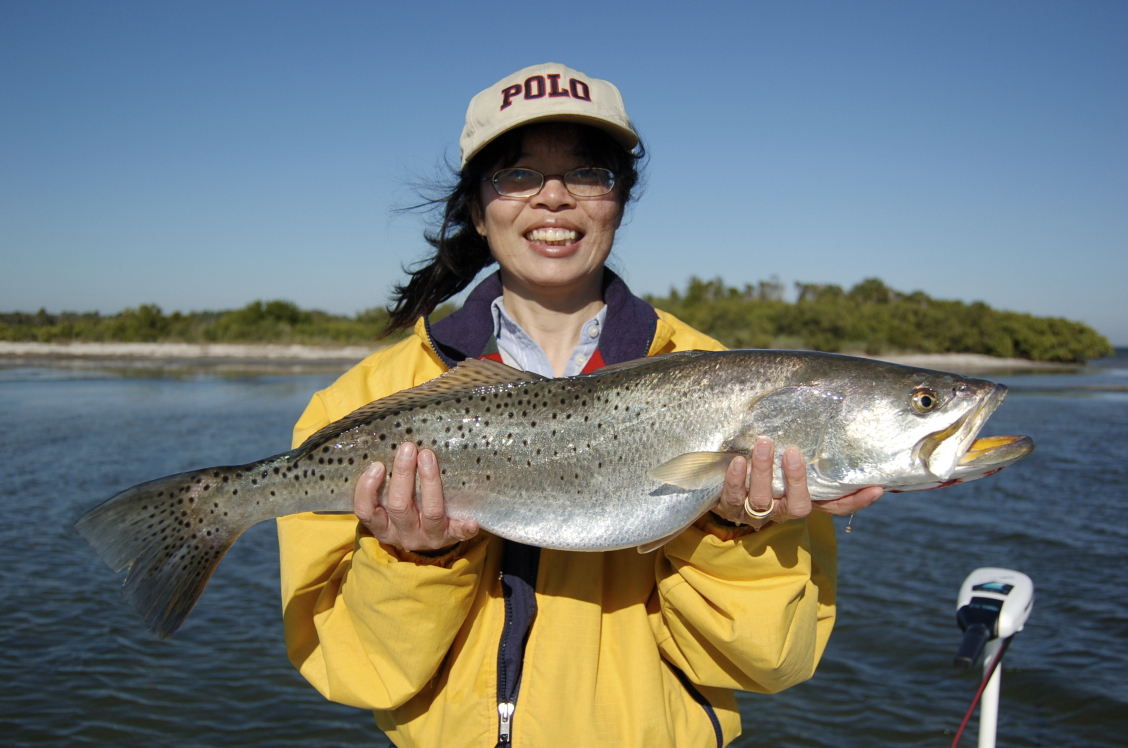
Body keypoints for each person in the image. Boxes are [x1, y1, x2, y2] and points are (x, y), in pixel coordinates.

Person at [277, 63, 882, 748]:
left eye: (588, 173)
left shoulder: (737, 389)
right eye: (518, 174)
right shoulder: (354, 403)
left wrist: (738, 534)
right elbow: (361, 677)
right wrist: (411, 558)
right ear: (478, 209)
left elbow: (771, 666)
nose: (554, 198)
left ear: (620, 199)